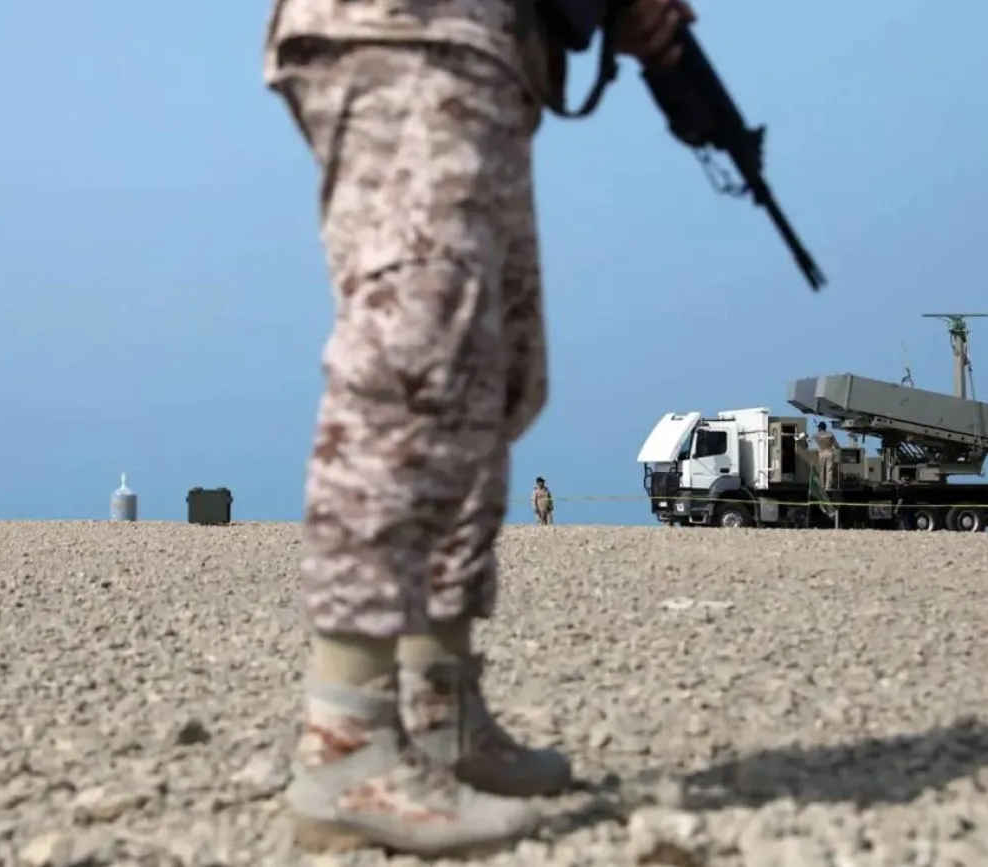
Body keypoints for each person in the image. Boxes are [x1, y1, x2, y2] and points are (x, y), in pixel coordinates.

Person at [262, 0, 698, 856]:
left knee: (490, 378)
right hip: (403, 28)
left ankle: (441, 715)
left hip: (488, 45)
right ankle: (345, 743)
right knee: (412, 360)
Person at [813, 421, 839, 490]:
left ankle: (822, 486)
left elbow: (810, 441)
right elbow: (836, 445)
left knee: (822, 471)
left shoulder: (816, 435)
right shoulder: (830, 434)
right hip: (829, 453)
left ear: (820, 428)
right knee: (829, 471)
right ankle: (828, 487)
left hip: (821, 453)